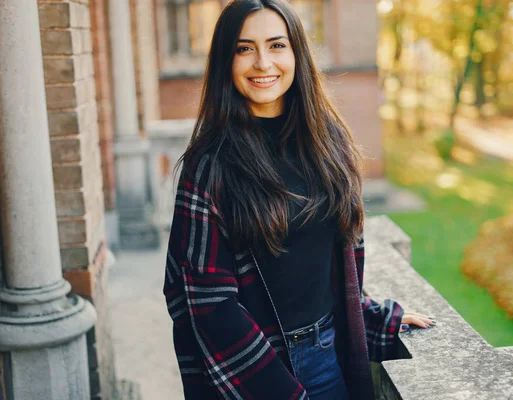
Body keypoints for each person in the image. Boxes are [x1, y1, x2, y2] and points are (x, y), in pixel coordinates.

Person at [163, 0, 435, 399]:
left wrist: (372, 319)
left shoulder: (327, 142)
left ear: (296, 54)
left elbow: (333, 262)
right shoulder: (210, 164)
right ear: (226, 61)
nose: (262, 63)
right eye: (244, 49)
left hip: (327, 357)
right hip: (254, 370)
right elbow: (206, 303)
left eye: (276, 45)